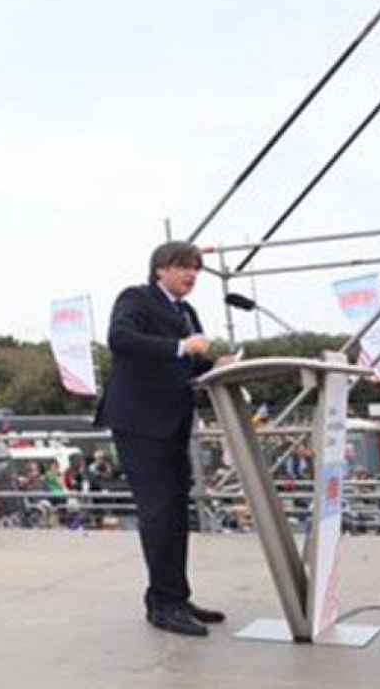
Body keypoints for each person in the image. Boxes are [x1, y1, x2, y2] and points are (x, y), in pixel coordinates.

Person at [94, 241, 231, 637]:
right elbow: (120, 339)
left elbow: (193, 359)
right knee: (157, 513)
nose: (192, 275)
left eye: (196, 269)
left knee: (175, 512)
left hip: (173, 423)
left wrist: (218, 362)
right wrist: (179, 346)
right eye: (184, 267)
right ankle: (163, 605)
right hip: (139, 422)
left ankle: (174, 595)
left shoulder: (186, 312)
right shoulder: (135, 298)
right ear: (161, 270)